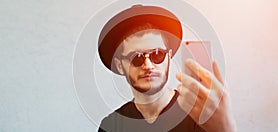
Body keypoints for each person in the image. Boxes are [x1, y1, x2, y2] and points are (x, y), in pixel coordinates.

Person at [98, 4, 236, 132]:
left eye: (157, 54)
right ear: (119, 65)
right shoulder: (111, 126)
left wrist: (225, 128)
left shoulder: (199, 114)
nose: (148, 65)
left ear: (169, 57)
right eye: (136, 57)